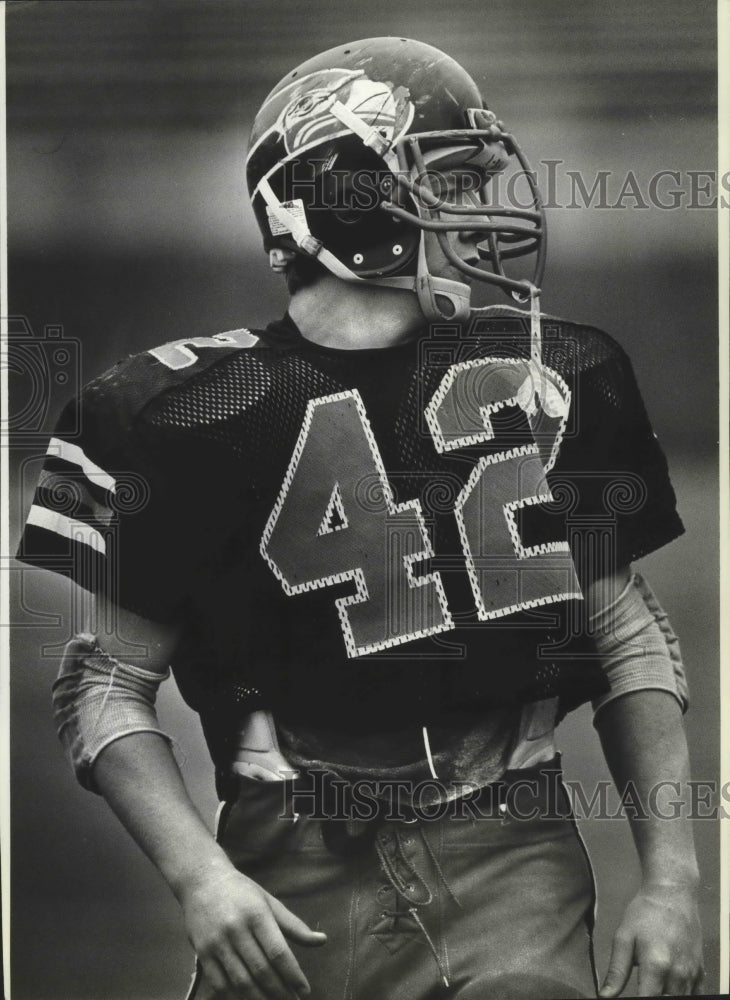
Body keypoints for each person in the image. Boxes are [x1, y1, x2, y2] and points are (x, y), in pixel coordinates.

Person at [17, 36, 703, 1000]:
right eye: (448, 184)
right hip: (286, 853)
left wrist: (673, 882)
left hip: (509, 841)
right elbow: (106, 683)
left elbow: (624, 627)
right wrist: (201, 876)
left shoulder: (556, 374)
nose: (482, 211)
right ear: (343, 199)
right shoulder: (181, 411)